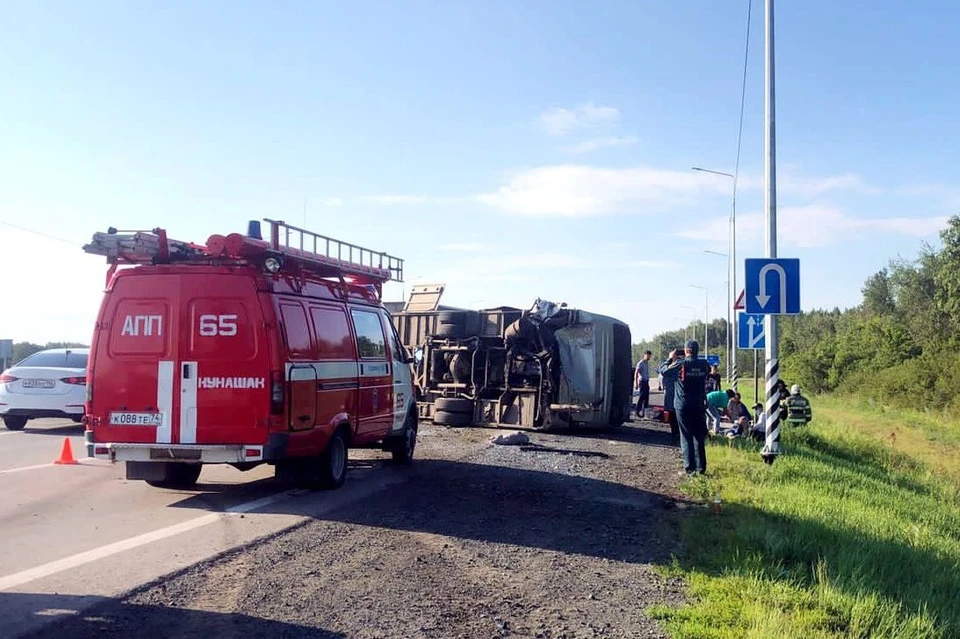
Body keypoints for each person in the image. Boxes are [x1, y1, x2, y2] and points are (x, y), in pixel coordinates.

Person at [661, 340, 711, 475]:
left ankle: (690, 469)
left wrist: (670, 359)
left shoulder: (680, 363)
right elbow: (707, 374)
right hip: (699, 404)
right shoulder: (704, 364)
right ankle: (701, 468)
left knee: (686, 436)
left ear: (686, 350)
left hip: (683, 405)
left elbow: (664, 371)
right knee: (699, 437)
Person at [657, 347, 684, 446]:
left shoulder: (677, 364)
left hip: (674, 398)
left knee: (675, 419)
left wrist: (669, 359)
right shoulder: (690, 364)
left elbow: (663, 370)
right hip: (685, 398)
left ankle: (676, 437)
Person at [634, 350, 652, 418]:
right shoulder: (640, 363)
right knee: (641, 396)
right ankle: (637, 411)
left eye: (649, 356)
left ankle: (645, 411)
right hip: (642, 381)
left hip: (646, 381)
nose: (648, 357)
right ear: (644, 355)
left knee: (646, 397)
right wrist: (636, 383)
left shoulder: (647, 363)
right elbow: (636, 373)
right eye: (647, 355)